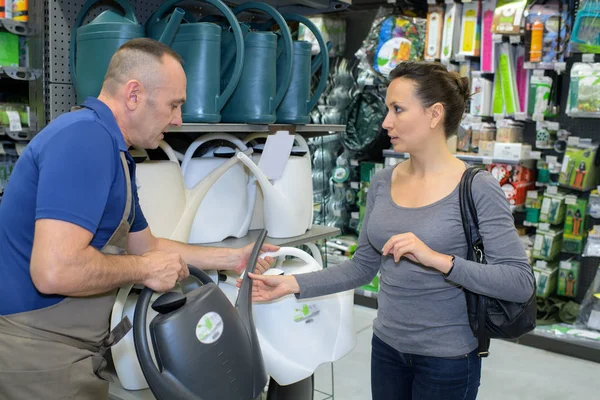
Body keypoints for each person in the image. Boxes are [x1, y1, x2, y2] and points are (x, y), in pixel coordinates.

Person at [0, 38, 276, 399]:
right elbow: (55, 270)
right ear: (133, 95)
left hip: (71, 349)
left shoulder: (116, 152)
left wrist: (232, 258)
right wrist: (144, 270)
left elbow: (148, 246)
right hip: (39, 353)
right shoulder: (84, 140)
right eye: (173, 105)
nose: (178, 119)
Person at [248, 61, 535, 400]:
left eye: (398, 109)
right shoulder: (384, 181)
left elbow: (519, 282)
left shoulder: (477, 187)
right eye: (388, 109)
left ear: (434, 114)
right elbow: (362, 267)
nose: (385, 122)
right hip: (387, 348)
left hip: (448, 359)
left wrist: (439, 260)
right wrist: (290, 284)